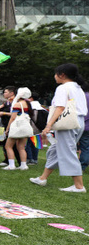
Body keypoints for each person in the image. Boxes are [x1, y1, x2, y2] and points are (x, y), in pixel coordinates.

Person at [30, 63, 87, 192]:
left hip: (67, 123)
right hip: (78, 122)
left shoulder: (63, 88)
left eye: (56, 74)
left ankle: (79, 186)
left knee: (68, 152)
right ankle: (42, 178)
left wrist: (48, 125)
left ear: (62, 75)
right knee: (55, 150)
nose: (54, 76)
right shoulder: (78, 87)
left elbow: (60, 107)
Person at [3, 87, 32, 170]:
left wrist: (7, 129)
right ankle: (23, 165)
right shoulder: (28, 104)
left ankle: (11, 165)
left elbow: (13, 118)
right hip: (26, 127)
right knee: (21, 147)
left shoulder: (17, 104)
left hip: (17, 127)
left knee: (8, 146)